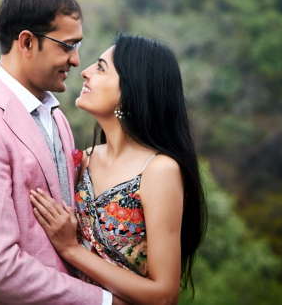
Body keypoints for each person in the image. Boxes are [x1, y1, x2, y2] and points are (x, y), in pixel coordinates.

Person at [0, 0, 115, 305]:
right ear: (26, 41)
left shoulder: (56, 116)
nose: (76, 60)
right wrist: (103, 301)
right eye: (67, 46)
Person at [30, 33, 208, 305]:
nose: (85, 72)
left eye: (101, 68)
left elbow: (164, 296)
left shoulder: (158, 170)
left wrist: (72, 250)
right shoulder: (84, 159)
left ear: (131, 89)